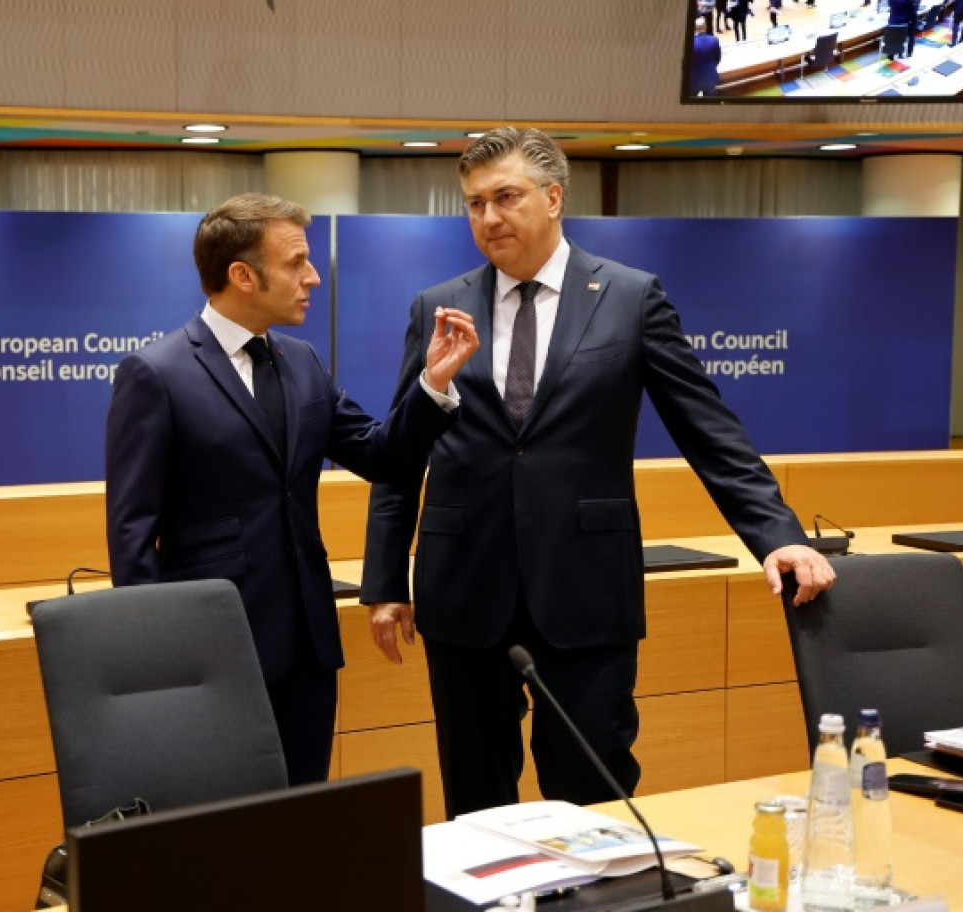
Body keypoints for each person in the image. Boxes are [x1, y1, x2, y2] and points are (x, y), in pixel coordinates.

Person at [360, 127, 836, 817]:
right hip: (462, 587)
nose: (489, 218)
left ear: (553, 198)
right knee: (475, 802)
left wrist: (778, 534)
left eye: (507, 197)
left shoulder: (630, 298)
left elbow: (709, 431)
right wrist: (384, 581)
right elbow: (401, 455)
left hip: (585, 590)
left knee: (595, 798)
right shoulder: (438, 305)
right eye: (474, 203)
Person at [105, 193, 479, 787]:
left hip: (307, 644)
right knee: (223, 828)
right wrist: (163, 662)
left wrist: (433, 384)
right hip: (211, 650)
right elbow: (130, 535)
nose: (312, 278)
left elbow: (382, 456)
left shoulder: (302, 360)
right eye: (296, 262)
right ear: (243, 275)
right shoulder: (156, 372)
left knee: (303, 819)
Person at [691, 17, 723, 97]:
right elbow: (718, 58)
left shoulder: (691, 43)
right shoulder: (714, 40)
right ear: (705, 26)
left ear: (694, 28)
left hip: (694, 79)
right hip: (710, 78)